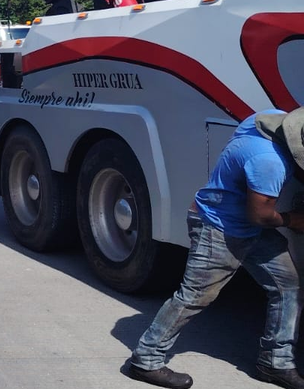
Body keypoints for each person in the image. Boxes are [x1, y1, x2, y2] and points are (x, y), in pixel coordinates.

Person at [125, 108, 304, 389]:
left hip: (246, 227)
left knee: (287, 285)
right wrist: (295, 220)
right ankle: (145, 359)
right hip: (218, 229)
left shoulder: (269, 119)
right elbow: (259, 215)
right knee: (195, 295)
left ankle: (275, 361)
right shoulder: (269, 162)